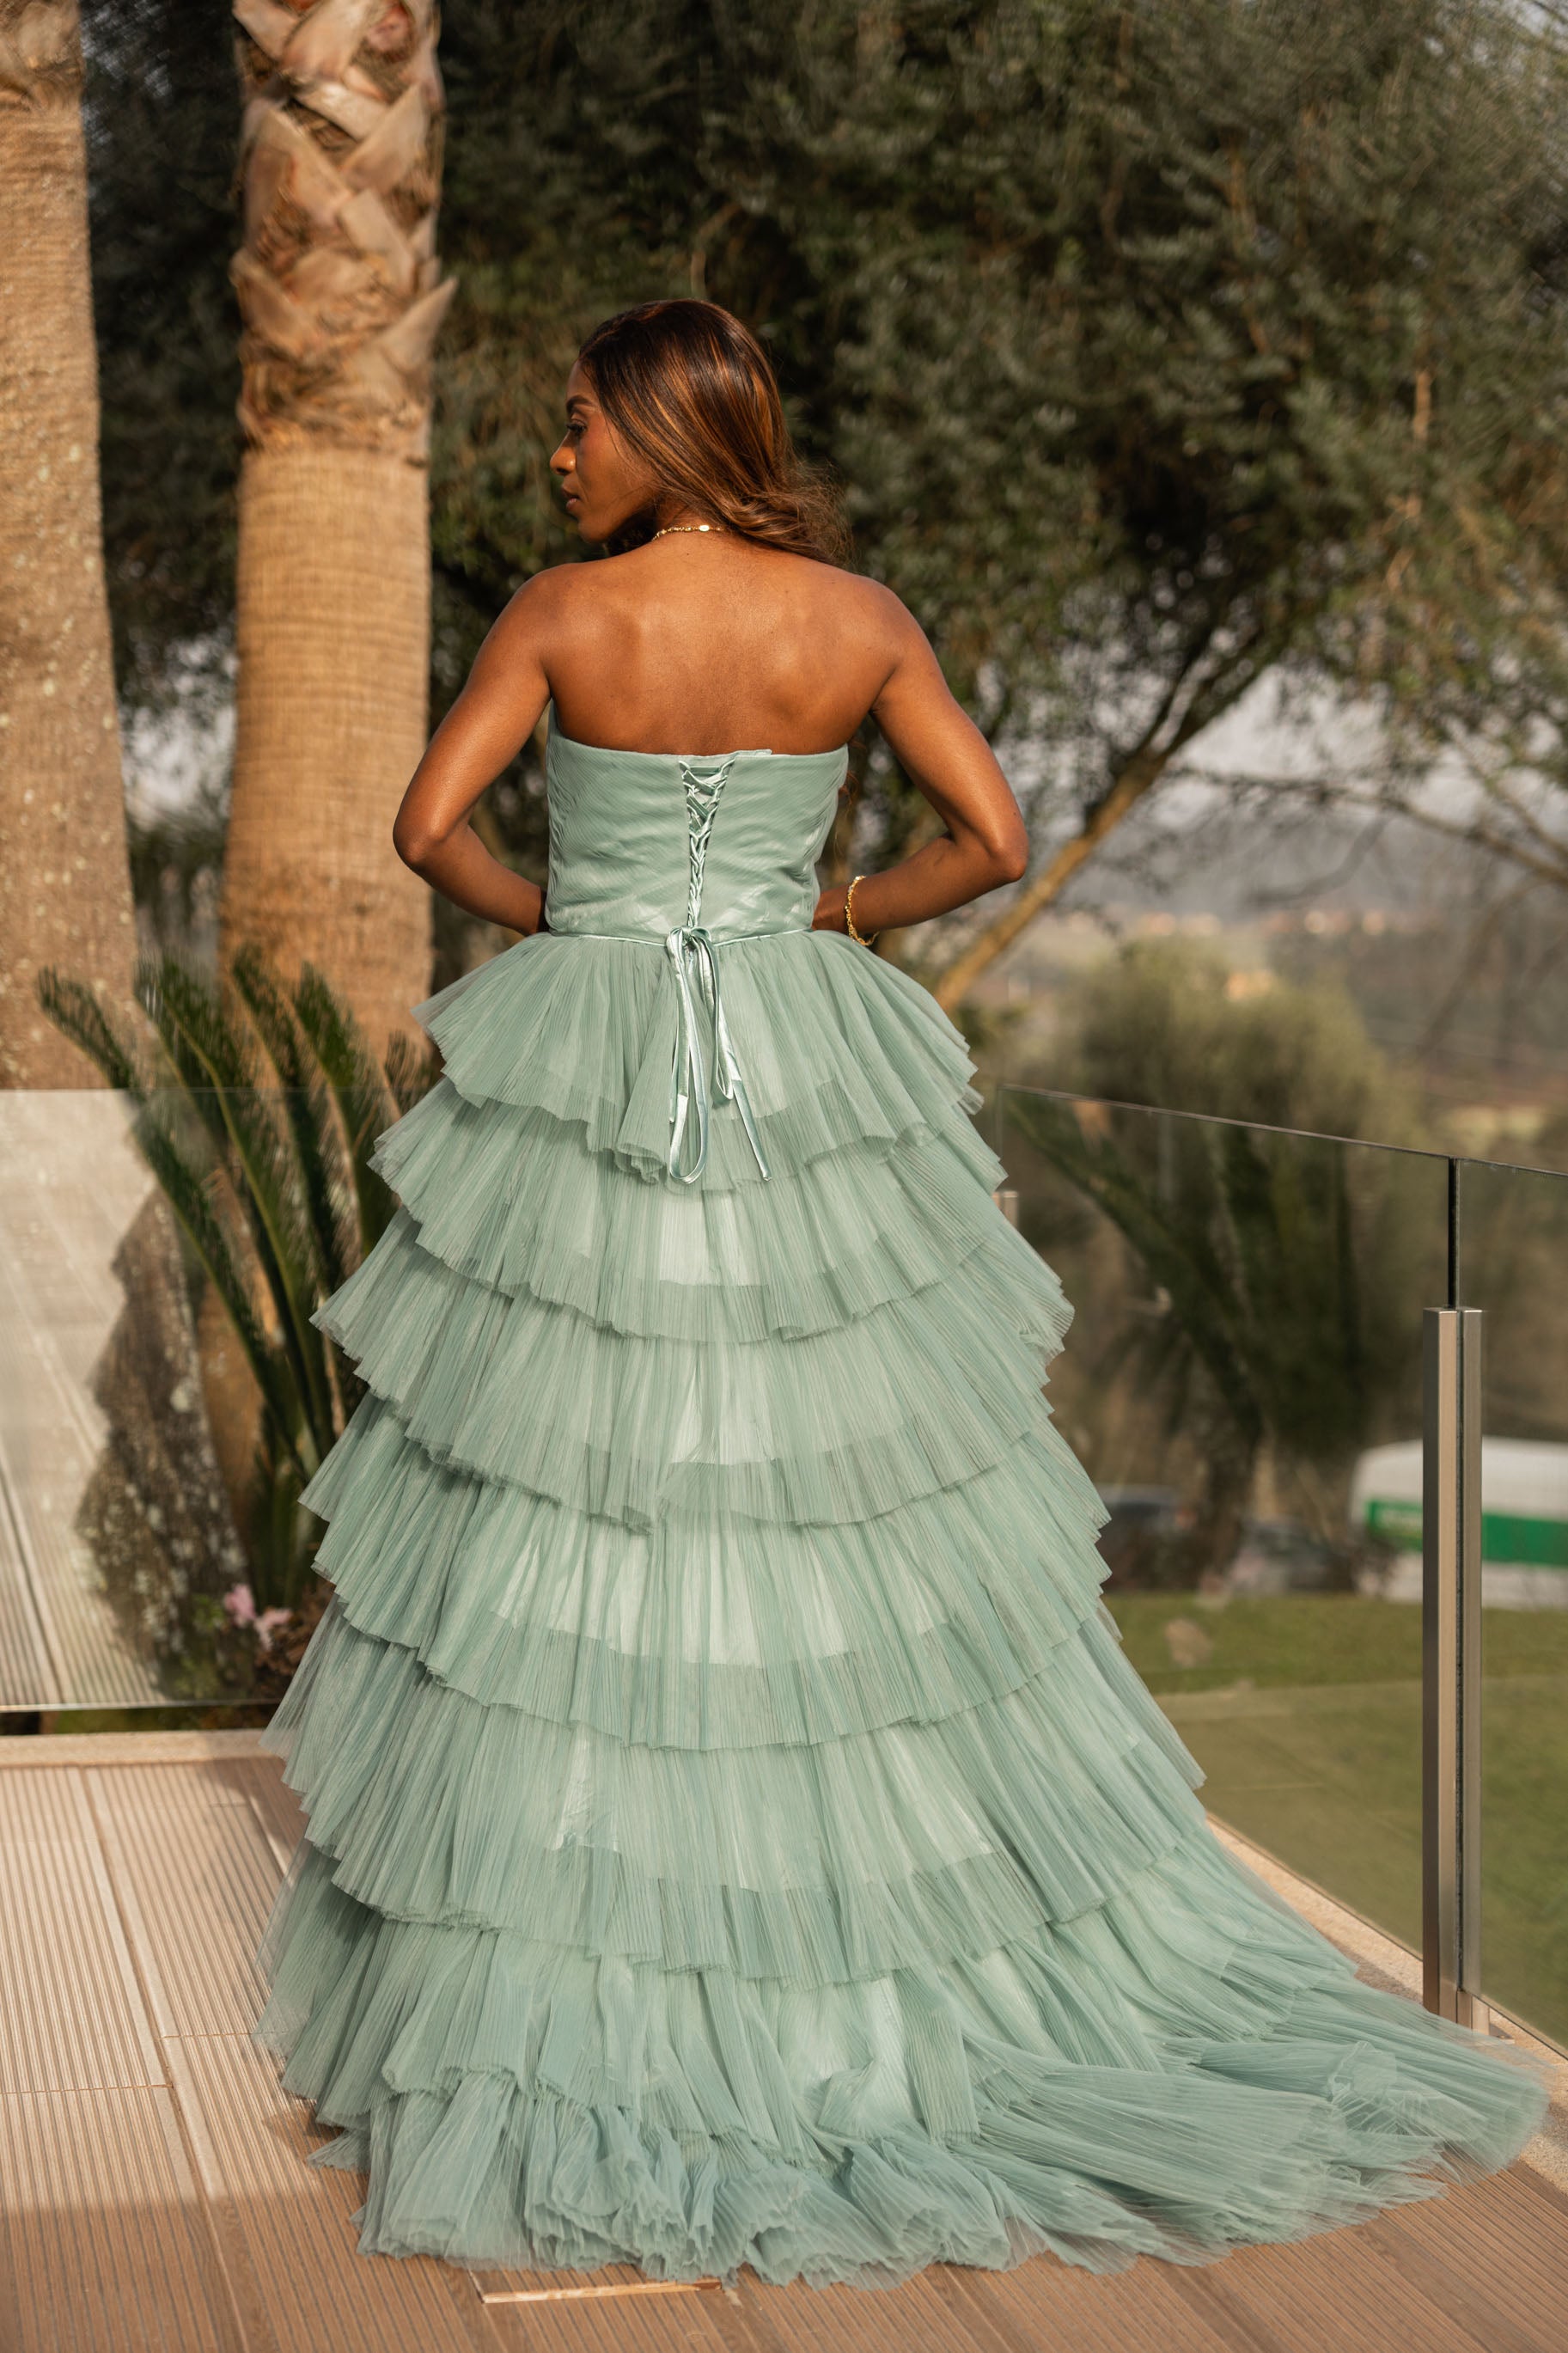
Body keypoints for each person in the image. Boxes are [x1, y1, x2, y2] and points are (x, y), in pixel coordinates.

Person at [252, 298, 1544, 2286]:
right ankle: (851, 1937)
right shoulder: (855, 621)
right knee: (819, 1477)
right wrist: (827, 915)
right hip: (797, 1048)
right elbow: (992, 840)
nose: (559, 453)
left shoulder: (560, 616)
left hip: (598, 1052)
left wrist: (578, 928)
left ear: (664, 428)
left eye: (580, 421)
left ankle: (590, 1929)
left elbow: (429, 830)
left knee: (585, 1474)